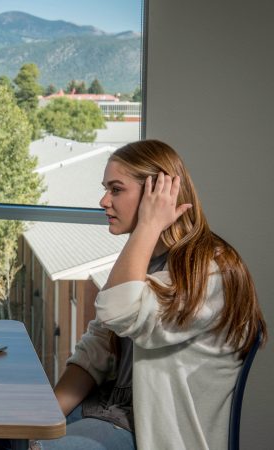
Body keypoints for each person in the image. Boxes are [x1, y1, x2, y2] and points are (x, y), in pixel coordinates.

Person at [38, 139, 267, 449]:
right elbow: (96, 349)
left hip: (150, 434)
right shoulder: (145, 258)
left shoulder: (211, 271)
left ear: (155, 193)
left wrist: (148, 223)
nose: (104, 200)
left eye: (116, 189)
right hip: (107, 412)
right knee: (6, 434)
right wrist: (42, 422)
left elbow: (120, 311)